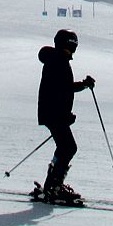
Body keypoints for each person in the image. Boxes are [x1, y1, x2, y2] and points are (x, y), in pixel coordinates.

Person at [35, 28, 95, 203]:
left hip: (52, 113)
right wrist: (63, 115)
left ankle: (51, 186)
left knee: (65, 148)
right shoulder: (58, 61)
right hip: (53, 114)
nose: (73, 49)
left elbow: (64, 87)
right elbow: (60, 91)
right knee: (68, 148)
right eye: (72, 45)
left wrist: (83, 85)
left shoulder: (57, 60)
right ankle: (53, 187)